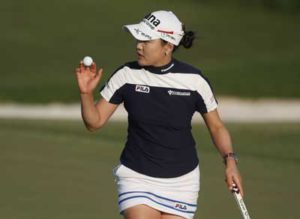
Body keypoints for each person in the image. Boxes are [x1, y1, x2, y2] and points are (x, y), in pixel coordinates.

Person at [75, 10, 243, 219]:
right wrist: (85, 93)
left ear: (168, 46)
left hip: (182, 181)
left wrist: (230, 161)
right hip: (137, 176)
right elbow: (94, 122)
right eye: (139, 39)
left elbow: (217, 127)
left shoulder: (194, 81)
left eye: (146, 40)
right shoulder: (126, 75)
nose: (139, 45)